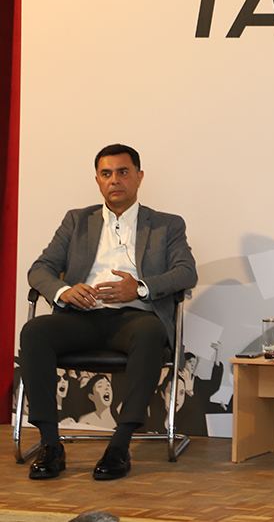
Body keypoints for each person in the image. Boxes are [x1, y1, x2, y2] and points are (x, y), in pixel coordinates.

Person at [20, 144, 198, 481]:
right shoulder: (77, 221)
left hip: (134, 318)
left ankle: (119, 445)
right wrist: (64, 291)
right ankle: (50, 444)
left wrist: (140, 288)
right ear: (98, 181)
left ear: (139, 177)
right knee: (35, 332)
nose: (114, 180)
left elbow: (186, 272)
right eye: (106, 174)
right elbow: (40, 269)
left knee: (151, 332)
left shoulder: (167, 225)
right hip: (80, 317)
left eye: (123, 172)